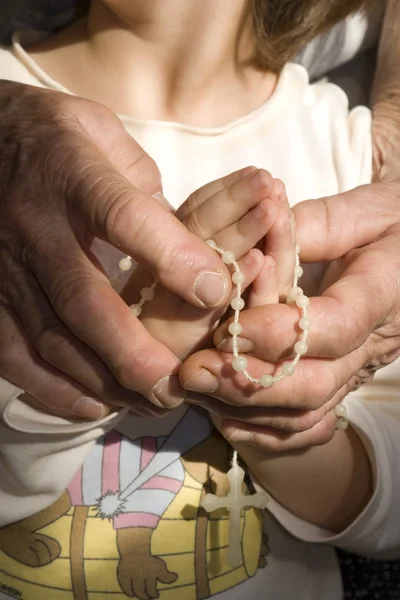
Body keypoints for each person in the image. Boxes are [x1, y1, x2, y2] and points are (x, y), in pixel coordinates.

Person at [1, 1, 400, 600]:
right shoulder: (11, 134)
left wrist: (276, 425)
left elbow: (387, 509)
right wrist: (107, 366)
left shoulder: (351, 153)